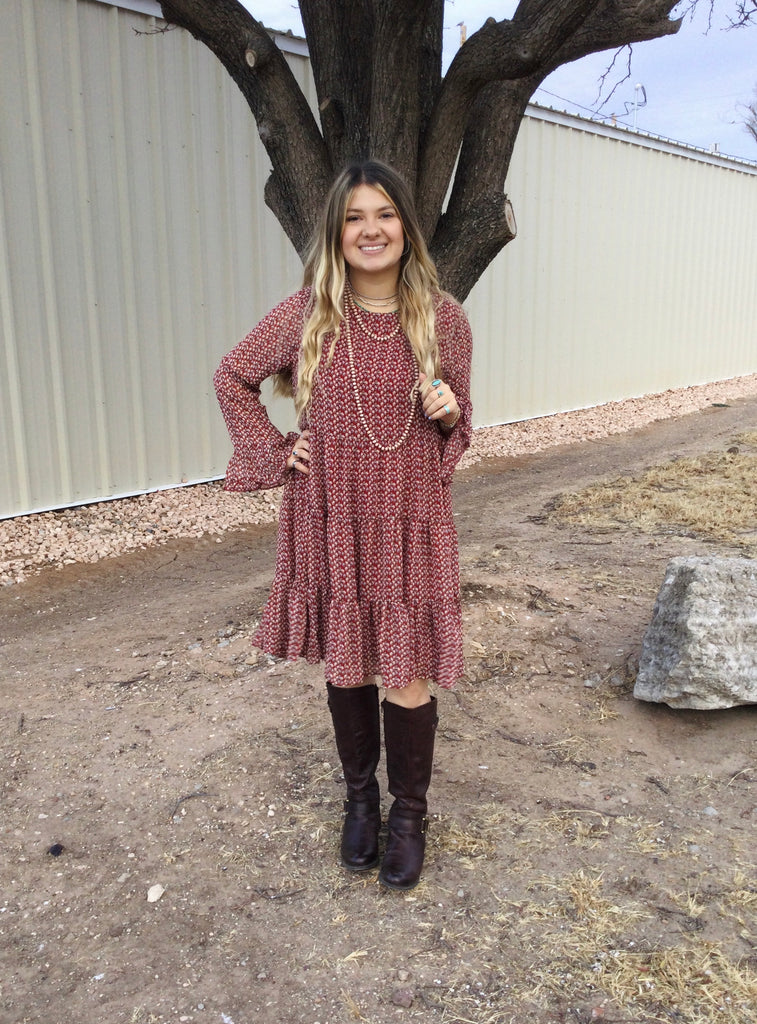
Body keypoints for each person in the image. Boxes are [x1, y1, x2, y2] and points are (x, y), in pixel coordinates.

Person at [214, 159, 472, 890]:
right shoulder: (306, 315)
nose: (370, 230)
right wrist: (271, 448)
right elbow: (230, 375)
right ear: (336, 232)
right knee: (349, 658)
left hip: (410, 515)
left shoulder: (443, 317)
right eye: (355, 217)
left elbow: (461, 415)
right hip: (329, 509)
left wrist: (450, 411)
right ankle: (360, 801)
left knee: (409, 667)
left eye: (384, 215)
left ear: (404, 228)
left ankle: (409, 813)